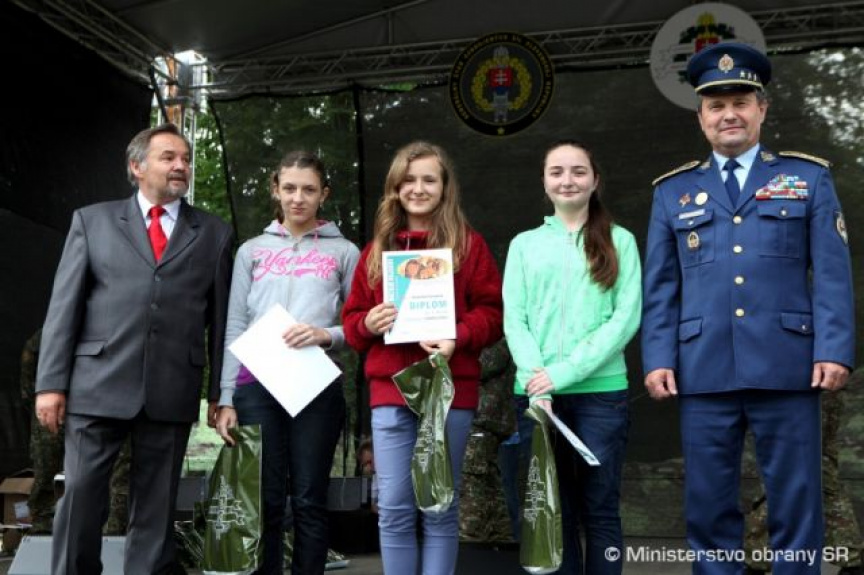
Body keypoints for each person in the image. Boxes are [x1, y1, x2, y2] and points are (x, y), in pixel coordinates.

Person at [642, 42, 855, 575]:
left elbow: (832, 274)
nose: (728, 114)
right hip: (702, 366)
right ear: (701, 117)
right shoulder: (672, 192)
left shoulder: (808, 178)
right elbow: (661, 285)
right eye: (716, 105)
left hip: (788, 364)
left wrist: (834, 349)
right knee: (708, 503)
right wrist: (658, 357)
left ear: (762, 108)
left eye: (740, 102)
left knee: (797, 499)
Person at [35, 122, 233, 575]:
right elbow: (63, 308)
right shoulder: (92, 221)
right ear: (137, 167)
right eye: (169, 157)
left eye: (185, 159)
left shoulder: (214, 232)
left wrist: (220, 393)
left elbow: (221, 322)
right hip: (96, 383)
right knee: (81, 497)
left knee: (157, 509)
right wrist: (50, 384)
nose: (181, 165)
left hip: (172, 385)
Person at [342, 141, 503, 574]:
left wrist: (458, 337)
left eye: (429, 179)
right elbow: (352, 323)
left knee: (439, 506)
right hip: (391, 392)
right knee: (394, 507)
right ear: (395, 188)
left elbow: (493, 314)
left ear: (445, 187)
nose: (418, 188)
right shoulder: (375, 252)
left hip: (449, 391)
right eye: (408, 180)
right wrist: (367, 323)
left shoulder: (468, 246)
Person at [214, 150, 360, 575]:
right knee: (265, 500)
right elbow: (235, 324)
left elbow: (360, 325)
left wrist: (326, 334)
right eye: (290, 188)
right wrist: (227, 396)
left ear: (323, 194)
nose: (298, 198)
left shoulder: (345, 252)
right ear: (275, 189)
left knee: (311, 499)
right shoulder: (251, 251)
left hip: (316, 385)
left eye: (309, 190)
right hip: (255, 385)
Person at [503, 140, 641, 575]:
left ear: (595, 180)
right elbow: (515, 319)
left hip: (601, 395)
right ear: (544, 182)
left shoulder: (620, 240)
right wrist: (537, 382)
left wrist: (563, 372)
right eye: (557, 171)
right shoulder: (524, 245)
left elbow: (625, 319)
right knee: (552, 511)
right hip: (537, 397)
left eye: (579, 171)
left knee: (601, 510)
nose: (568, 180)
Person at [744, 385, 864, 574]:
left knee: (789, 468)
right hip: (806, 385)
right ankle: (851, 558)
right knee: (819, 467)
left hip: (801, 386)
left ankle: (756, 558)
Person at [458, 339, 517, 544]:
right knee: (490, 485)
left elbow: (485, 363)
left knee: (471, 484)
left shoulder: (498, 331)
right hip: (481, 420)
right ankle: (497, 543)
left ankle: (471, 544)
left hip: (482, 418)